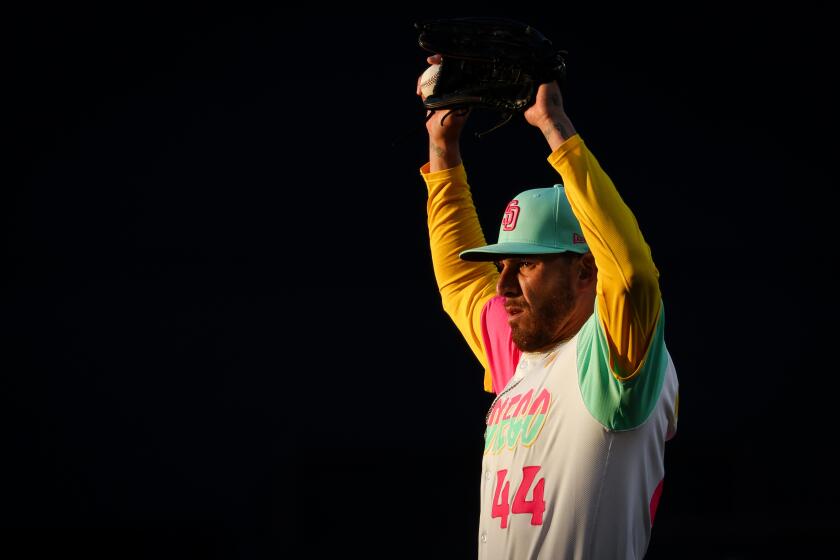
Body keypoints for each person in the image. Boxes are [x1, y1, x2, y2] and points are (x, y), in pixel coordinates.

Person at [417, 53, 679, 559]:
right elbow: (460, 282)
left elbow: (632, 274)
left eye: (528, 265)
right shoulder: (523, 353)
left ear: (585, 270)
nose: (505, 284)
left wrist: (555, 129)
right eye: (504, 265)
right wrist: (443, 148)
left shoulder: (614, 358)